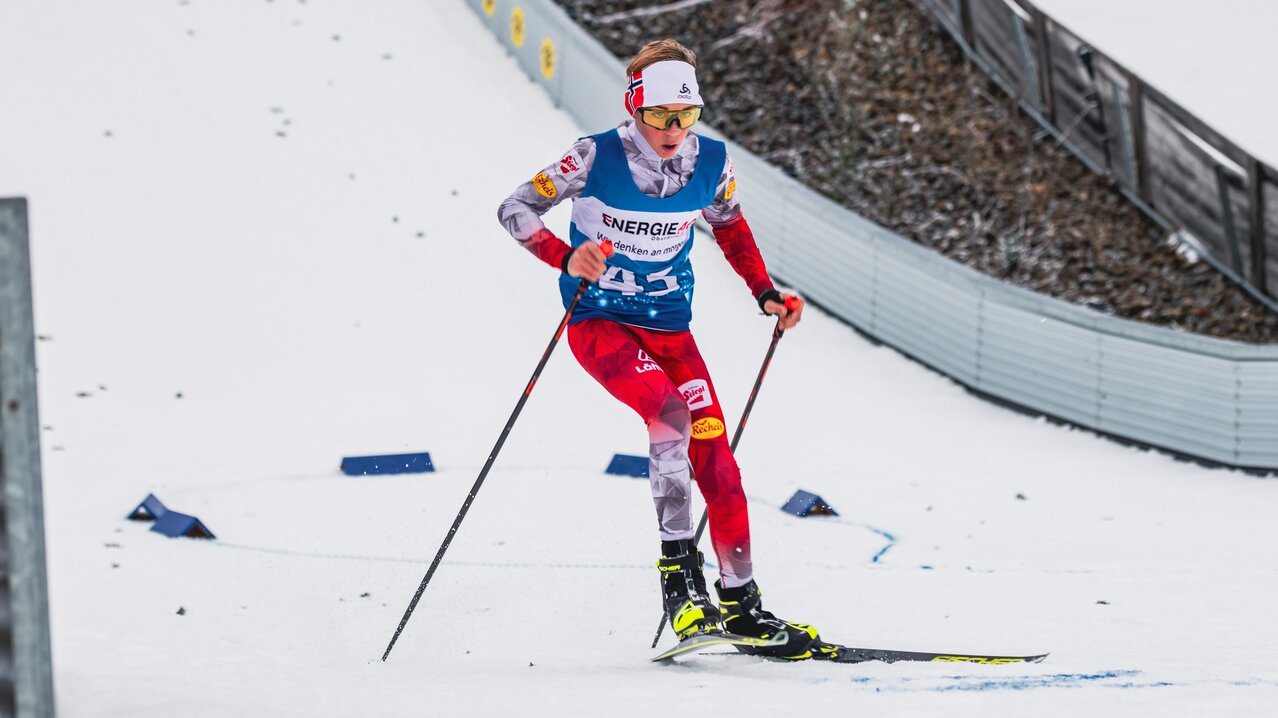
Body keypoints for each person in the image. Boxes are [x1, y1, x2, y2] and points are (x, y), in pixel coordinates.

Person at [498, 39, 820, 659]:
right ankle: (680, 585)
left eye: (687, 115)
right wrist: (565, 256)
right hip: (600, 324)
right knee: (669, 416)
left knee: (718, 461)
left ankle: (742, 601)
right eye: (660, 116)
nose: (673, 130)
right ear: (634, 107)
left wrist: (766, 293)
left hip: (671, 332)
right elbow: (515, 208)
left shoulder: (712, 162)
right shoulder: (592, 156)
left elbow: (729, 225)